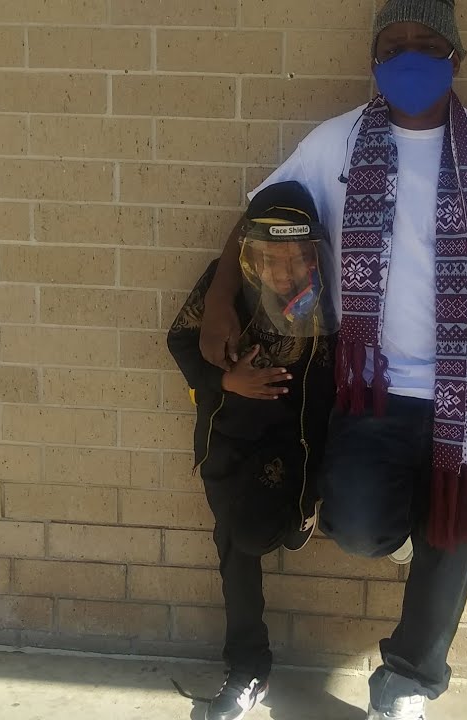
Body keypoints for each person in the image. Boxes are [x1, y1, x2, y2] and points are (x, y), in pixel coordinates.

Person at [195, 2, 467, 718]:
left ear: (457, 59)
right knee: (359, 526)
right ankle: (405, 537)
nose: (411, 57)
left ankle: (407, 684)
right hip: (372, 389)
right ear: (373, 60)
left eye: (428, 44)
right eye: (395, 45)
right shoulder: (334, 144)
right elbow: (260, 215)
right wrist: (218, 301)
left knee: (454, 544)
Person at [166, 181, 339, 720]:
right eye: (272, 259)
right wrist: (226, 381)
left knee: (288, 524)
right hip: (234, 442)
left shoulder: (330, 293)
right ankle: (247, 669)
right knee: (240, 541)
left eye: (297, 258)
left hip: (303, 444)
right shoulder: (227, 293)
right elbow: (180, 340)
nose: (286, 272)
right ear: (251, 257)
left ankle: (304, 515)